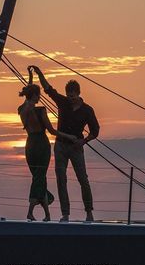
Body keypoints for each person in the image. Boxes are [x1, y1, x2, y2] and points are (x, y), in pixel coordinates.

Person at [31, 65, 100, 222]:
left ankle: (89, 213)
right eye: (68, 95)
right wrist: (40, 73)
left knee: (83, 179)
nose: (70, 98)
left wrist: (83, 141)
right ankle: (65, 214)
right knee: (61, 179)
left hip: (76, 147)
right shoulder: (62, 102)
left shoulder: (87, 110)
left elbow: (95, 131)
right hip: (61, 146)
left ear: (78, 94)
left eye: (73, 96)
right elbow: (48, 89)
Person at [18, 69, 77, 222]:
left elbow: (28, 93)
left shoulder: (22, 109)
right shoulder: (40, 111)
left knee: (38, 177)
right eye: (39, 95)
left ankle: (47, 215)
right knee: (39, 177)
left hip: (29, 145)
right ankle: (31, 211)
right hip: (41, 145)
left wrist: (31, 77)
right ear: (36, 95)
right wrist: (69, 136)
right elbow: (51, 131)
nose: (40, 97)